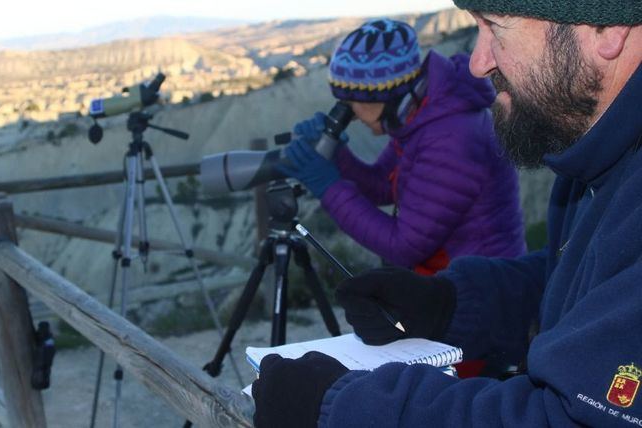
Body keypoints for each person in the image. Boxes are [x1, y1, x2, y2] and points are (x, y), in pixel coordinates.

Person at [253, 1, 642, 427]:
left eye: (495, 25)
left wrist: (342, 407)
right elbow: (574, 284)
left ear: (607, 26)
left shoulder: (455, 137)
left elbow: (570, 419)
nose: (477, 62)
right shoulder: (591, 154)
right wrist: (450, 304)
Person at [278, 18, 525, 276]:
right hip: (451, 284)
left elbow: (403, 246)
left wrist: (328, 186)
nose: (349, 113)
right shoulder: (423, 116)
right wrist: (337, 156)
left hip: (481, 295)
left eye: (351, 100)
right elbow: (386, 186)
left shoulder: (451, 138)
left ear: (384, 95)